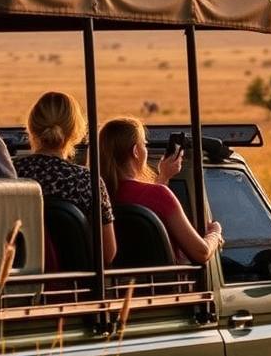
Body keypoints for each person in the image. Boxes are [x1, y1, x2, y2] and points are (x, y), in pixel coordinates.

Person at [99, 117, 222, 265]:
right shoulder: (159, 195)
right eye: (144, 144)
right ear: (136, 151)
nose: (146, 149)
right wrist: (215, 233)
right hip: (164, 285)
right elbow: (201, 253)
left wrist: (163, 176)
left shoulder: (98, 195)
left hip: (114, 285)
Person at [15, 92, 117, 265]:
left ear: (32, 128)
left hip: (23, 285)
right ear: (76, 131)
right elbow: (108, 253)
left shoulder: (12, 175)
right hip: (77, 286)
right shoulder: (87, 180)